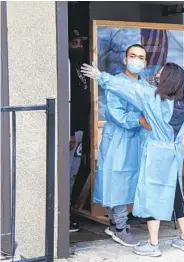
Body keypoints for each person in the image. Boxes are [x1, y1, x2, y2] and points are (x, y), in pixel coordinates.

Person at [81, 61, 184, 257]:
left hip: (157, 154)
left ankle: (153, 245)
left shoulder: (152, 97)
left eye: (160, 72)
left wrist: (101, 76)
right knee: (177, 194)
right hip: (175, 151)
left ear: (167, 78)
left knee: (152, 194)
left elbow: (128, 88)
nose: (157, 74)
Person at [95, 44, 152, 247]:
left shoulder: (147, 86)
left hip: (139, 140)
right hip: (119, 139)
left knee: (133, 180)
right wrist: (139, 120)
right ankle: (119, 227)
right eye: (133, 56)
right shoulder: (116, 83)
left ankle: (116, 223)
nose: (137, 60)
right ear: (125, 59)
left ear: (145, 63)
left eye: (141, 57)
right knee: (117, 179)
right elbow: (115, 114)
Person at [69, 28, 89, 233]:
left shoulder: (78, 67)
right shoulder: (66, 67)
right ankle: (63, 217)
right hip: (72, 132)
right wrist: (70, 131)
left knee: (75, 172)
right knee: (68, 173)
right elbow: (67, 103)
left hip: (82, 129)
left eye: (81, 44)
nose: (79, 47)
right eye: (75, 44)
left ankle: (68, 213)